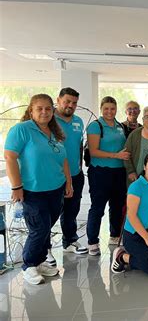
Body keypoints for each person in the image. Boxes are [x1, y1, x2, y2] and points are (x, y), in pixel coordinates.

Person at [4, 94, 73, 285]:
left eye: (48, 109)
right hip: (33, 190)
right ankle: (29, 265)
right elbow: (9, 157)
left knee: (46, 226)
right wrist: (16, 186)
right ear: (31, 111)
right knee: (39, 227)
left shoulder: (54, 133)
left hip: (55, 189)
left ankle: (41, 260)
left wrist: (68, 183)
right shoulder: (22, 130)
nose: (44, 112)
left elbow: (64, 160)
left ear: (53, 111)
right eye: (40, 108)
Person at [86, 96, 130, 256]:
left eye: (112, 108)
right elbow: (94, 151)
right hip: (100, 172)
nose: (109, 111)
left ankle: (114, 235)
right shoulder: (95, 126)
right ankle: (92, 241)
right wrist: (116, 156)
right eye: (106, 108)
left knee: (117, 206)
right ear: (101, 109)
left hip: (119, 172)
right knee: (98, 208)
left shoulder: (120, 126)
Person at [54, 87, 88, 256]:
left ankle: (70, 240)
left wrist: (80, 168)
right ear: (58, 100)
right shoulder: (48, 120)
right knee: (49, 214)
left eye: (74, 103)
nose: (70, 105)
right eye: (67, 101)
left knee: (71, 210)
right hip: (53, 176)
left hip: (75, 174)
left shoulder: (78, 121)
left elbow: (79, 146)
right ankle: (43, 249)